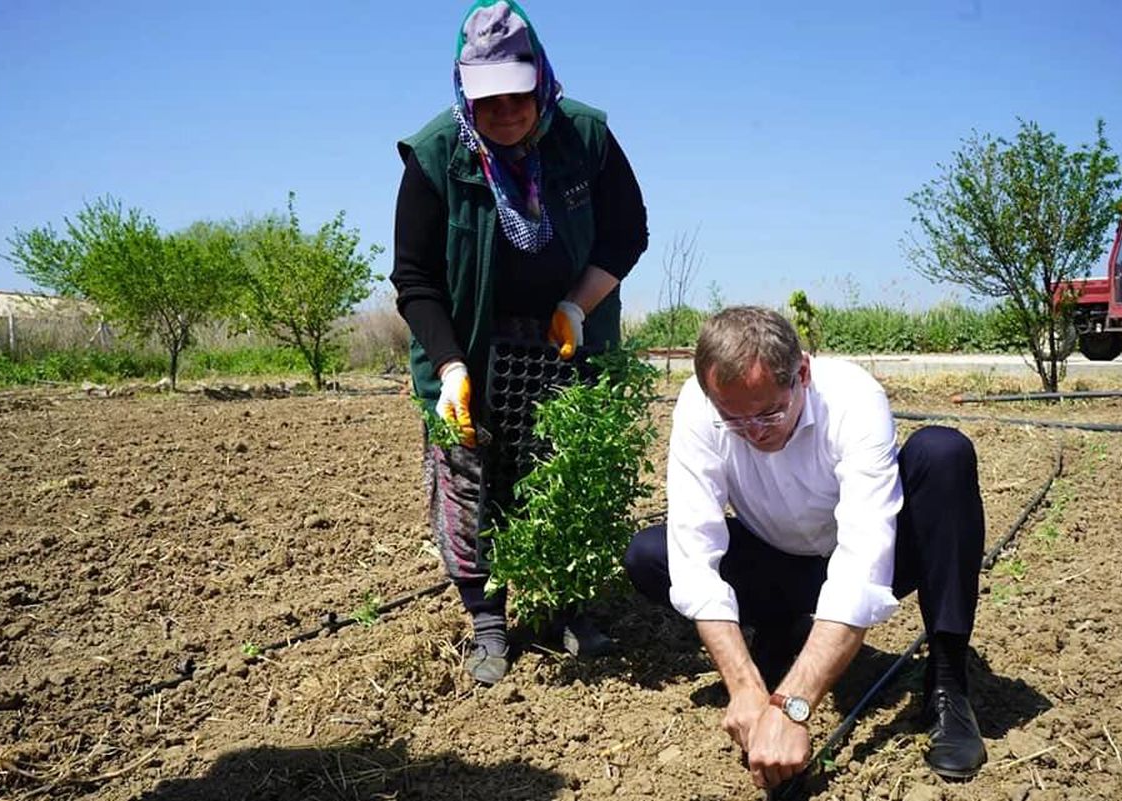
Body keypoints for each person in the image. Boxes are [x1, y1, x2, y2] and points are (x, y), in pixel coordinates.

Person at [391, 0, 648, 686]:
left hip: (566, 341)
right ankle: (487, 619)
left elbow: (627, 232)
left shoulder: (585, 137)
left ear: (541, 79)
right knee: (470, 478)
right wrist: (450, 365)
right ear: (464, 91)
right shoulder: (436, 155)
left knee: (566, 470)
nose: (505, 112)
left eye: (517, 95)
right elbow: (415, 278)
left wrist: (574, 305)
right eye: (488, 99)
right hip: (470, 348)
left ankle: (566, 606)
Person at [624, 307, 988, 789]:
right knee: (652, 553)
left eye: (769, 413)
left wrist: (791, 706)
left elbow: (861, 565)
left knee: (943, 454)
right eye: (734, 419)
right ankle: (780, 627)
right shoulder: (700, 407)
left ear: (802, 374)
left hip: (878, 558)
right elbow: (695, 552)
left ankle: (947, 683)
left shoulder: (853, 399)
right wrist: (745, 687)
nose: (754, 431)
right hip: (780, 563)